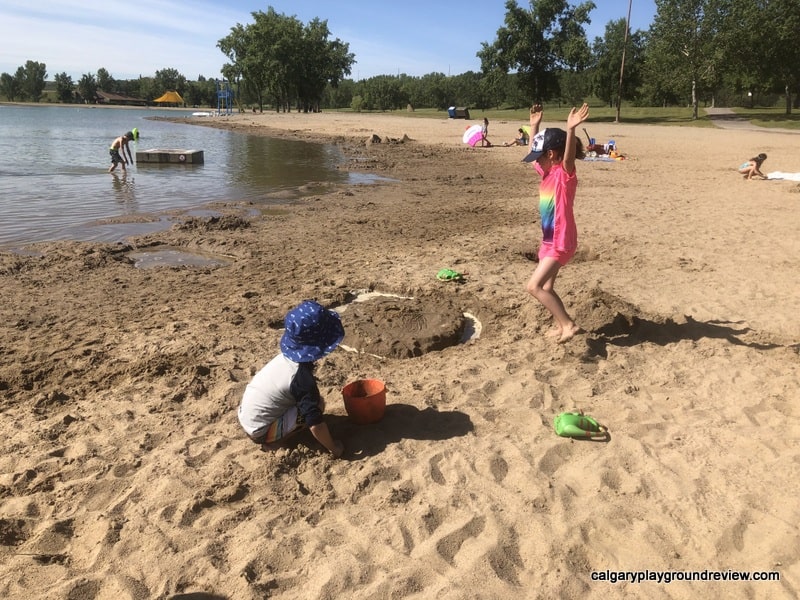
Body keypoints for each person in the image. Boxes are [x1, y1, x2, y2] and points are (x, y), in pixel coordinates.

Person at [237, 300, 345, 457]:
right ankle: (274, 442)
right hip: (259, 431)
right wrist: (334, 448)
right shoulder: (301, 379)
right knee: (317, 404)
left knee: (309, 402)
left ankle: (275, 431)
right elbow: (315, 423)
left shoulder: (285, 360)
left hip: (247, 417)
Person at [523, 102, 589, 343]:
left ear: (551, 155)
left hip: (561, 241)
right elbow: (533, 159)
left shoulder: (563, 175)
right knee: (547, 289)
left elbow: (568, 158)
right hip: (549, 241)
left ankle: (568, 324)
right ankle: (562, 326)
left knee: (534, 286)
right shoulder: (547, 172)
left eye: (539, 157)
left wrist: (570, 130)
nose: (535, 162)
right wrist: (534, 126)